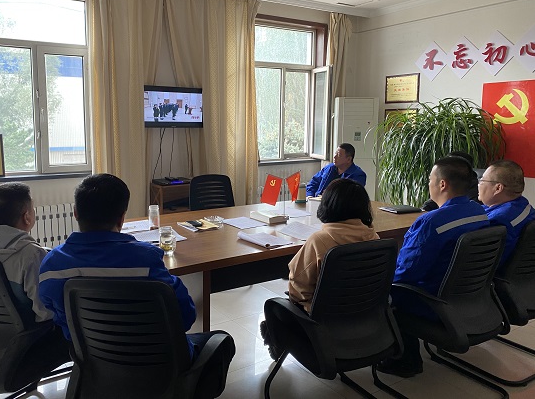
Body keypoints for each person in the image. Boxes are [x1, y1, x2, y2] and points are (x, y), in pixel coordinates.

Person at [38, 173, 235, 365]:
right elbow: (186, 317)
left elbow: (55, 313)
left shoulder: (51, 265)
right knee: (221, 340)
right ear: (122, 218)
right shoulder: (147, 261)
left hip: (94, 362)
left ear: (75, 212)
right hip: (158, 361)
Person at [377, 156, 490, 378]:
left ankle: (404, 360)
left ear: (442, 184)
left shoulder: (431, 222)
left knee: (387, 290)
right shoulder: (480, 212)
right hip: (468, 296)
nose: (428, 183)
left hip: (432, 299)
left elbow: (405, 274)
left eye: (430, 178)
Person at [260, 178, 379, 359]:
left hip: (324, 323)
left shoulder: (320, 240)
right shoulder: (374, 238)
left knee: (275, 307)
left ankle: (276, 335)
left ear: (328, 205)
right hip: (365, 318)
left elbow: (297, 289)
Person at [0, 182, 53, 326]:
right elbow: (45, 313)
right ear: (27, 217)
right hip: (26, 330)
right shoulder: (32, 256)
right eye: (33, 209)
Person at [478, 160, 535, 267]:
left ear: (498, 188)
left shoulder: (497, 222)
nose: (478, 184)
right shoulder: (523, 205)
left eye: (482, 180)